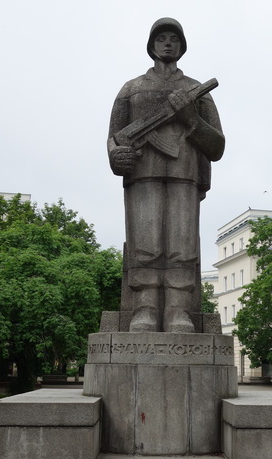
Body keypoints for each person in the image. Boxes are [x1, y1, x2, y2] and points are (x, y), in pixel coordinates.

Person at [107, 17, 225, 333]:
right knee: (144, 243)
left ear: (182, 46)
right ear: (151, 45)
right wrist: (115, 155)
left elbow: (217, 145)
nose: (168, 43)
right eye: (162, 38)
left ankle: (178, 310)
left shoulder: (195, 91)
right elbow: (114, 137)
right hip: (142, 175)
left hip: (184, 174)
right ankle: (143, 308)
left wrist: (191, 119)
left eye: (174, 38)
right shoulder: (131, 89)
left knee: (181, 245)